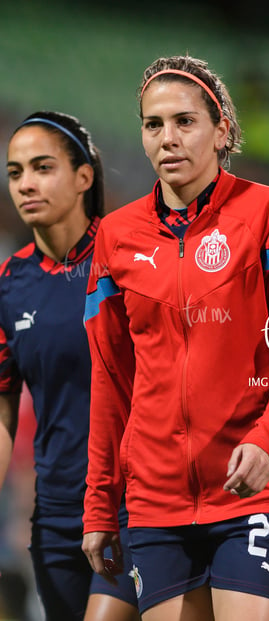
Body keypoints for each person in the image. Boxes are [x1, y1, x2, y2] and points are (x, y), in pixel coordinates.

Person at [82, 55, 269, 621]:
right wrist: (99, 504)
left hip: (252, 490)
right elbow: (110, 377)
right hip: (155, 502)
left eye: (185, 122)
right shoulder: (116, 237)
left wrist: (268, 439)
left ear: (222, 132)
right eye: (153, 124)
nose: (167, 138)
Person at [0, 111, 140, 621]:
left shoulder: (132, 259)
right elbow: (4, 413)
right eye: (15, 173)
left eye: (42, 167)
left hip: (137, 507)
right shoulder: (9, 284)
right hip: (56, 519)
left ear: (84, 177)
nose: (26, 184)